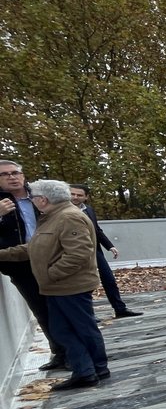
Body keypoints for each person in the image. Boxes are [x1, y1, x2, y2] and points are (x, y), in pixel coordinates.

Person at [0, 180, 109, 390]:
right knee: (62, 330)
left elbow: (79, 253)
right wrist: (3, 254)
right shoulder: (52, 217)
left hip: (69, 286)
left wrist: (51, 274)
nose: (31, 201)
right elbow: (34, 248)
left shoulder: (68, 217)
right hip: (58, 286)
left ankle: (93, 370)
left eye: (33, 197)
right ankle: (88, 371)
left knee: (81, 328)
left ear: (43, 199)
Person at [0, 160, 67, 370]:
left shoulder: (42, 195)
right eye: (5, 174)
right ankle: (60, 353)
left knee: (65, 308)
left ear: (23, 175)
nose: (12, 177)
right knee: (41, 310)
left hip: (53, 260)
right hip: (20, 264)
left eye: (15, 172)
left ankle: (78, 353)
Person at [68, 184, 141, 318]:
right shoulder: (61, 211)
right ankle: (88, 315)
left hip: (94, 250)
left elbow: (97, 230)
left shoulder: (88, 210)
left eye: (79, 195)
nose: (75, 197)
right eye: (72, 194)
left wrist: (110, 246)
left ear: (86, 197)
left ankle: (120, 309)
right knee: (84, 284)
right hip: (74, 252)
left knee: (109, 279)